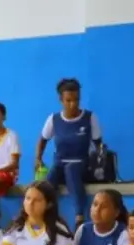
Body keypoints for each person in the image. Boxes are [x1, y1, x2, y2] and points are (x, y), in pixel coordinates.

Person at [34, 78, 103, 227]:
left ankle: (79, 216)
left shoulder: (90, 118)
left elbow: (99, 145)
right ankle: (43, 217)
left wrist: (99, 163)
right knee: (49, 180)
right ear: (61, 100)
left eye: (76, 100)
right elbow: (43, 140)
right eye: (68, 100)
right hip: (60, 164)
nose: (73, 104)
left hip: (82, 165)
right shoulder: (54, 119)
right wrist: (38, 158)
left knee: (71, 170)